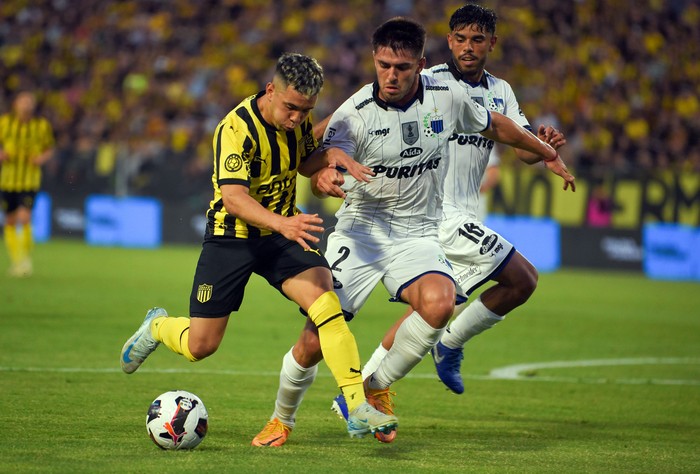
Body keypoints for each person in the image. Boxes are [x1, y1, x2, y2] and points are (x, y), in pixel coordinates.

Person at [258, 17, 575, 445]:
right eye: (384, 65)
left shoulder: (447, 96)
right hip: (361, 232)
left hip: (418, 231)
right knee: (316, 337)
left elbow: (496, 126)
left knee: (440, 303)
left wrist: (544, 151)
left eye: (402, 68)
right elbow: (310, 161)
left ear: (420, 65)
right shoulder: (355, 113)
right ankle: (282, 418)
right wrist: (325, 175)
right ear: (374, 59)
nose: (391, 75)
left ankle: (376, 386)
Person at [118, 52, 398, 447]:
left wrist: (328, 156)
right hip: (231, 238)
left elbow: (302, 162)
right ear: (271, 91)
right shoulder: (235, 129)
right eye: (291, 108)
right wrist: (283, 222)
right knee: (201, 346)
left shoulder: (295, 122)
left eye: (306, 111)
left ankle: (356, 406)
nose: (297, 118)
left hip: (281, 235)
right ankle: (157, 327)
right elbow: (233, 198)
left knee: (326, 303)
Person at [346, 6, 573, 441]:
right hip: (436, 213)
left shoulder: (501, 91)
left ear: (492, 43)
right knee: (521, 277)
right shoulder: (429, 84)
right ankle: (448, 345)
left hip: (465, 213)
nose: (469, 47)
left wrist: (543, 149)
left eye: (478, 39)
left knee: (430, 309)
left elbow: (518, 146)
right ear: (449, 42)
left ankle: (365, 387)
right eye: (461, 38)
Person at [0, 91, 55, 278]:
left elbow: (49, 149)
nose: (26, 105)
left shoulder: (41, 126)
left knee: (24, 218)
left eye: (30, 102)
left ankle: (25, 261)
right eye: (23, 101)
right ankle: (16, 261)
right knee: (9, 221)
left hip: (29, 181)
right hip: (7, 180)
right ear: (15, 104)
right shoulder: (5, 123)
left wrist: (41, 158)